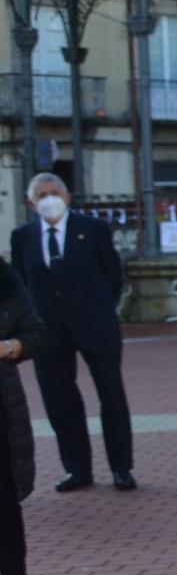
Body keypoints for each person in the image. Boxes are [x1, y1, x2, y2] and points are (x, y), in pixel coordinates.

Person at [11, 172, 135, 492]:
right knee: (60, 401)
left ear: (67, 197)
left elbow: (113, 275)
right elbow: (21, 285)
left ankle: (121, 468)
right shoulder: (22, 236)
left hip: (96, 326)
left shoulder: (92, 229)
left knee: (111, 396)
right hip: (49, 332)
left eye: (54, 192)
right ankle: (78, 469)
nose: (49, 199)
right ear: (30, 202)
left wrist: (101, 309)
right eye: (41, 195)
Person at [0, 261, 48, 575]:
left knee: (4, 499)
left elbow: (37, 332)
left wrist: (10, 347)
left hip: (2, 408)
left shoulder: (6, 281)